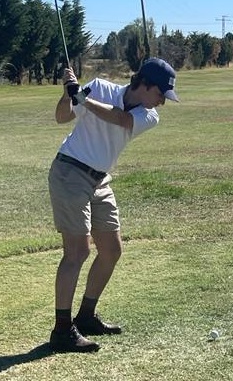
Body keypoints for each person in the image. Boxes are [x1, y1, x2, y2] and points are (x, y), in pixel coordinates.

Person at [47, 57, 179, 352]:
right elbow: (61, 117)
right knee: (77, 251)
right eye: (161, 94)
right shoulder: (99, 88)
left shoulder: (148, 116)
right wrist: (68, 95)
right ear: (145, 84)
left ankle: (86, 316)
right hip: (70, 172)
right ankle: (62, 331)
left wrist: (84, 99)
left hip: (99, 180)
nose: (162, 102)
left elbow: (119, 119)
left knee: (111, 250)